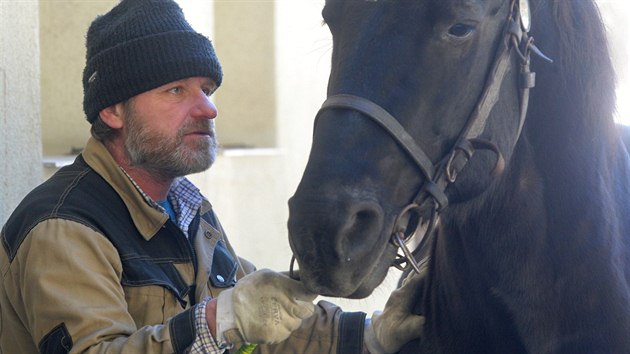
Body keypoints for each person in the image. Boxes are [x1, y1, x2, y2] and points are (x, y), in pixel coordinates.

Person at [0, 0, 425, 353]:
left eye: (207, 88)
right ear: (111, 111)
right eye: (176, 90)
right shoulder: (64, 227)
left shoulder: (187, 209)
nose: (208, 108)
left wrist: (369, 336)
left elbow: (268, 317)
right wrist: (223, 319)